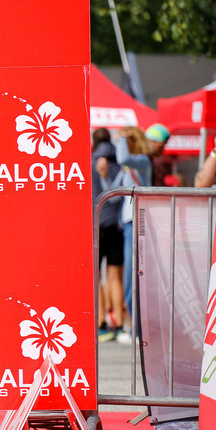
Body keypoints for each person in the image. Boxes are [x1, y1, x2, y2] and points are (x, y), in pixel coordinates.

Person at [110, 126, 152, 341]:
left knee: (135, 276)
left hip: (139, 222)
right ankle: (133, 326)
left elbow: (123, 157)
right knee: (130, 277)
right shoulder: (128, 168)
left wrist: (121, 140)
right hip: (127, 224)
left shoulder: (143, 160)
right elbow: (113, 193)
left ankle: (136, 329)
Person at [92, 128, 124, 340]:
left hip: (96, 222)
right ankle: (119, 322)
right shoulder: (120, 160)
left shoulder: (90, 160)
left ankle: (101, 321)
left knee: (96, 275)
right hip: (116, 223)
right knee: (115, 275)